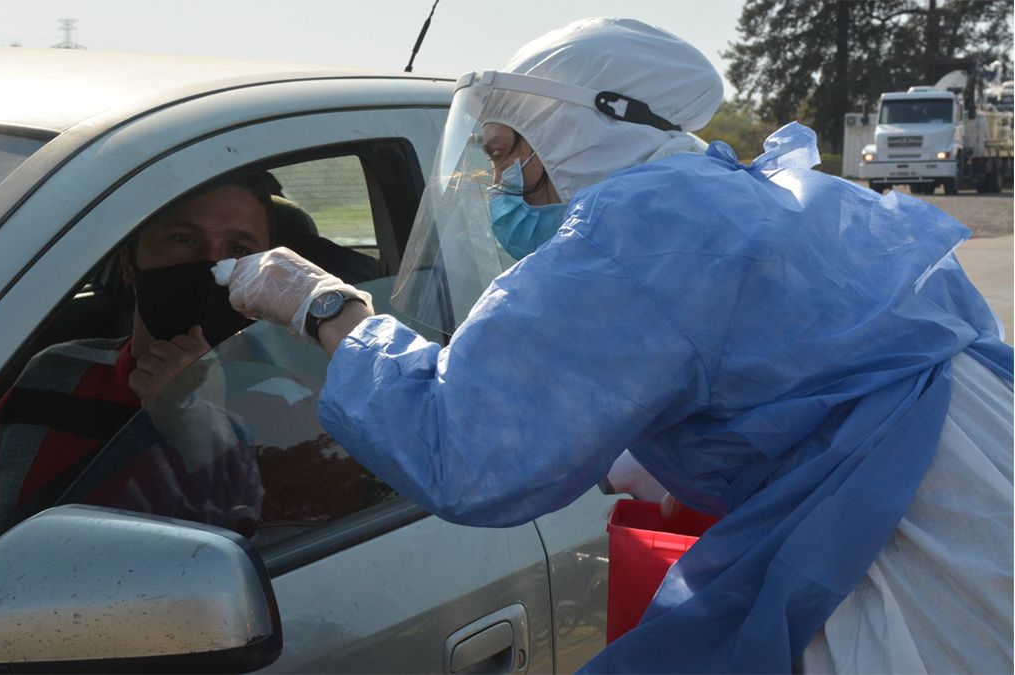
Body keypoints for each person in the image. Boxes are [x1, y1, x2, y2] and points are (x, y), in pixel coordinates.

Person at [222, 18, 1014, 674]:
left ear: (575, 125)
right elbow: (885, 349)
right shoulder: (764, 192)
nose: (497, 183)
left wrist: (325, 307)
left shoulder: (638, 223)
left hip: (908, 561)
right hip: (985, 488)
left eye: (503, 153)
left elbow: (467, 450)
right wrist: (681, 444)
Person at [0, 175, 275, 556]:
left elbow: (262, 569)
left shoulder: (295, 409)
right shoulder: (53, 375)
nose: (210, 263)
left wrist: (199, 426)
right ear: (129, 262)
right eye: (183, 238)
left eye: (238, 250)